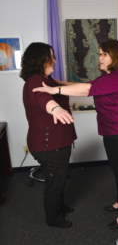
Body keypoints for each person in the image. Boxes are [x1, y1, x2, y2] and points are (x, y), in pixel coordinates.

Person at [33, 39, 118, 229]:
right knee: (116, 171)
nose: (100, 57)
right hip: (111, 133)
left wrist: (53, 89)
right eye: (99, 54)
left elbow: (87, 90)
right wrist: (56, 82)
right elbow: (84, 84)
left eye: (104, 54)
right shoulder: (107, 76)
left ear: (117, 56)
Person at [20, 42, 77, 229]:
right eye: (50, 57)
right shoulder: (35, 81)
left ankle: (60, 207)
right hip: (49, 145)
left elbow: (61, 87)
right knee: (55, 183)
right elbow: (42, 98)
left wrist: (89, 87)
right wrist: (56, 109)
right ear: (39, 59)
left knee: (58, 179)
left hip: (57, 142)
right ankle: (53, 219)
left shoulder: (48, 80)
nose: (54, 60)